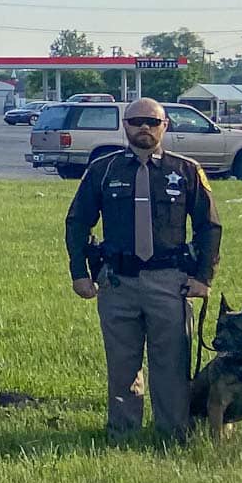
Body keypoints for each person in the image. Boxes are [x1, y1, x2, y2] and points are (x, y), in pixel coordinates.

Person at [66, 98, 221, 442]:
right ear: (125, 125)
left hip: (170, 281)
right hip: (118, 281)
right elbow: (78, 222)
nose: (144, 128)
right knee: (122, 364)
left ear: (165, 126)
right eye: (136, 121)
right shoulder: (103, 170)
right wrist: (80, 273)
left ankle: (174, 433)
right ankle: (123, 432)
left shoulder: (186, 171)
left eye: (152, 122)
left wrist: (203, 278)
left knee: (171, 365)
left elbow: (209, 226)